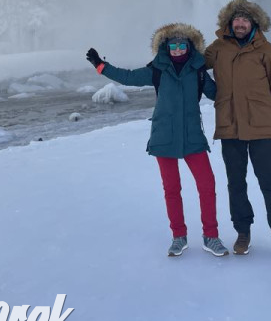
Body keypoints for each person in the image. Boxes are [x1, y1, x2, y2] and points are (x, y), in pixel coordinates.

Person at [86, 23, 229, 258]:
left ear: (189, 47)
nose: (177, 49)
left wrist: (236, 78)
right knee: (172, 189)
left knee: (207, 185)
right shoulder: (157, 70)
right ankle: (178, 236)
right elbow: (128, 77)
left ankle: (211, 236)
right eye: (172, 45)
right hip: (164, 137)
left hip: (192, 136)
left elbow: (218, 94)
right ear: (165, 47)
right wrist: (101, 66)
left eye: (182, 44)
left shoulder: (199, 70)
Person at [204, 0, 271, 261]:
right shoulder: (218, 48)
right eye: (236, 19)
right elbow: (193, 65)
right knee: (236, 184)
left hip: (262, 126)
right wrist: (174, 46)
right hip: (230, 127)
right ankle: (243, 232)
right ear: (229, 22)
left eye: (245, 19)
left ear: (254, 23)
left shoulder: (265, 50)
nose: (240, 23)